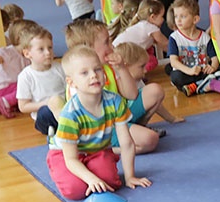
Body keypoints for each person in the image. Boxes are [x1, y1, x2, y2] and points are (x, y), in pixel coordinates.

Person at [46, 45, 151, 201]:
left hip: (96, 150)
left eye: (98, 69)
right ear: (71, 82)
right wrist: (91, 179)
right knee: (75, 190)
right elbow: (71, 159)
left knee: (111, 183)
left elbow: (127, 143)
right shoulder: (70, 114)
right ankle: (58, 168)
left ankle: (95, 168)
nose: (93, 76)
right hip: (66, 155)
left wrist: (130, 177)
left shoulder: (115, 101)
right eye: (84, 73)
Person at [64, 19, 161, 154]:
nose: (112, 46)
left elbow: (132, 95)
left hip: (118, 117)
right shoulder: (79, 79)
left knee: (155, 90)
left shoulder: (107, 68)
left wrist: (121, 68)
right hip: (101, 128)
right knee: (150, 139)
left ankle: (136, 129)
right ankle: (107, 149)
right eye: (106, 42)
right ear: (88, 48)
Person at [114, 42, 183, 125]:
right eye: (141, 66)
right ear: (126, 66)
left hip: (130, 117)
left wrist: (171, 119)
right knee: (155, 91)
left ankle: (141, 126)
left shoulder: (138, 81)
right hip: (121, 121)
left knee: (155, 96)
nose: (145, 70)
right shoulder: (118, 81)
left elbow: (156, 103)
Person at [166, 0, 220, 97]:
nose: (178, 20)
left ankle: (194, 86)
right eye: (176, 16)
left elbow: (215, 57)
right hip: (186, 72)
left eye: (183, 16)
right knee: (176, 76)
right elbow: (173, 61)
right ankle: (204, 84)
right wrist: (189, 71)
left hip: (202, 71)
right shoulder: (174, 38)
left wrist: (212, 67)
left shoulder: (205, 37)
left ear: (195, 19)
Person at [16, 24, 66, 134]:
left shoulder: (59, 68)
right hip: (46, 114)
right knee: (45, 112)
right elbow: (23, 106)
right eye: (41, 49)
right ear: (27, 53)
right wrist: (46, 103)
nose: (48, 52)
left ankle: (70, 127)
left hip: (65, 109)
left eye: (50, 48)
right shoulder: (26, 76)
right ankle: (57, 130)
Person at [0, 19, 33, 118]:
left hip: (14, 88)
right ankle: (5, 101)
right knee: (28, 86)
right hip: (2, 89)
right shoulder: (8, 52)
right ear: (19, 38)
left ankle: (6, 105)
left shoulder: (28, 54)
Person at [112, 0, 170, 72]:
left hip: (117, 51)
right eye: (162, 16)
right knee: (152, 61)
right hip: (123, 53)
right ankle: (137, 72)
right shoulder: (151, 28)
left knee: (149, 50)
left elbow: (161, 45)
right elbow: (165, 43)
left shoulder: (142, 25)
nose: (163, 19)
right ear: (153, 17)